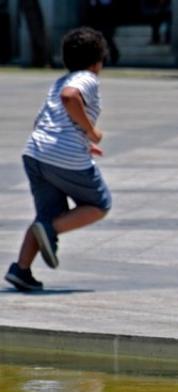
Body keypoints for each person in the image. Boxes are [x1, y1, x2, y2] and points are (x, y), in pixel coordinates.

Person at [4, 27, 112, 292]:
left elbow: (42, 120)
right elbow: (70, 98)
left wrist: (82, 144)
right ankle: (49, 230)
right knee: (100, 203)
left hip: (36, 152)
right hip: (64, 156)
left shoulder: (59, 81)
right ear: (97, 62)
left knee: (47, 214)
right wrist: (91, 133)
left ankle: (21, 270)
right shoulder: (85, 78)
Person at [85, 0, 119, 65]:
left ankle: (114, 56)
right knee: (101, 42)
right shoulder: (96, 3)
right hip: (99, 24)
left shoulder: (111, 4)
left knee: (108, 41)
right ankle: (104, 59)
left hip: (109, 24)